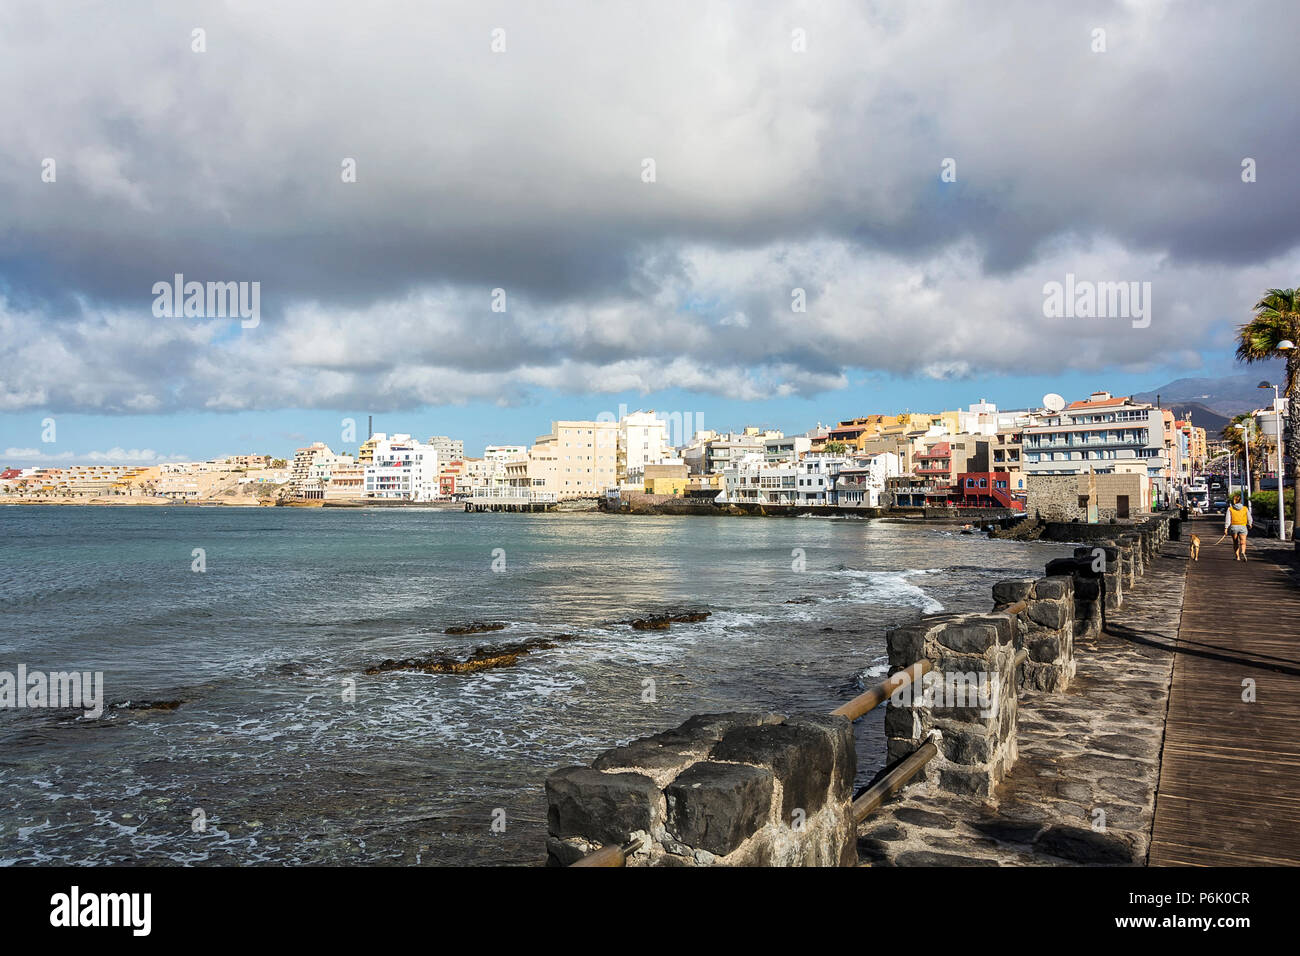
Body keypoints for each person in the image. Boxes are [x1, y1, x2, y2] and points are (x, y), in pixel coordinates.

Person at [1224, 493, 1252, 561]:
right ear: (1240, 501)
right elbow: (1249, 517)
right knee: (1243, 541)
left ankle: (1237, 557)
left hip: (1234, 526)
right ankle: (1243, 551)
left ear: (1234, 501)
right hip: (1243, 526)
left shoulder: (1230, 509)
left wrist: (1226, 528)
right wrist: (1250, 523)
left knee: (1235, 542)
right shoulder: (1245, 508)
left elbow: (1228, 519)